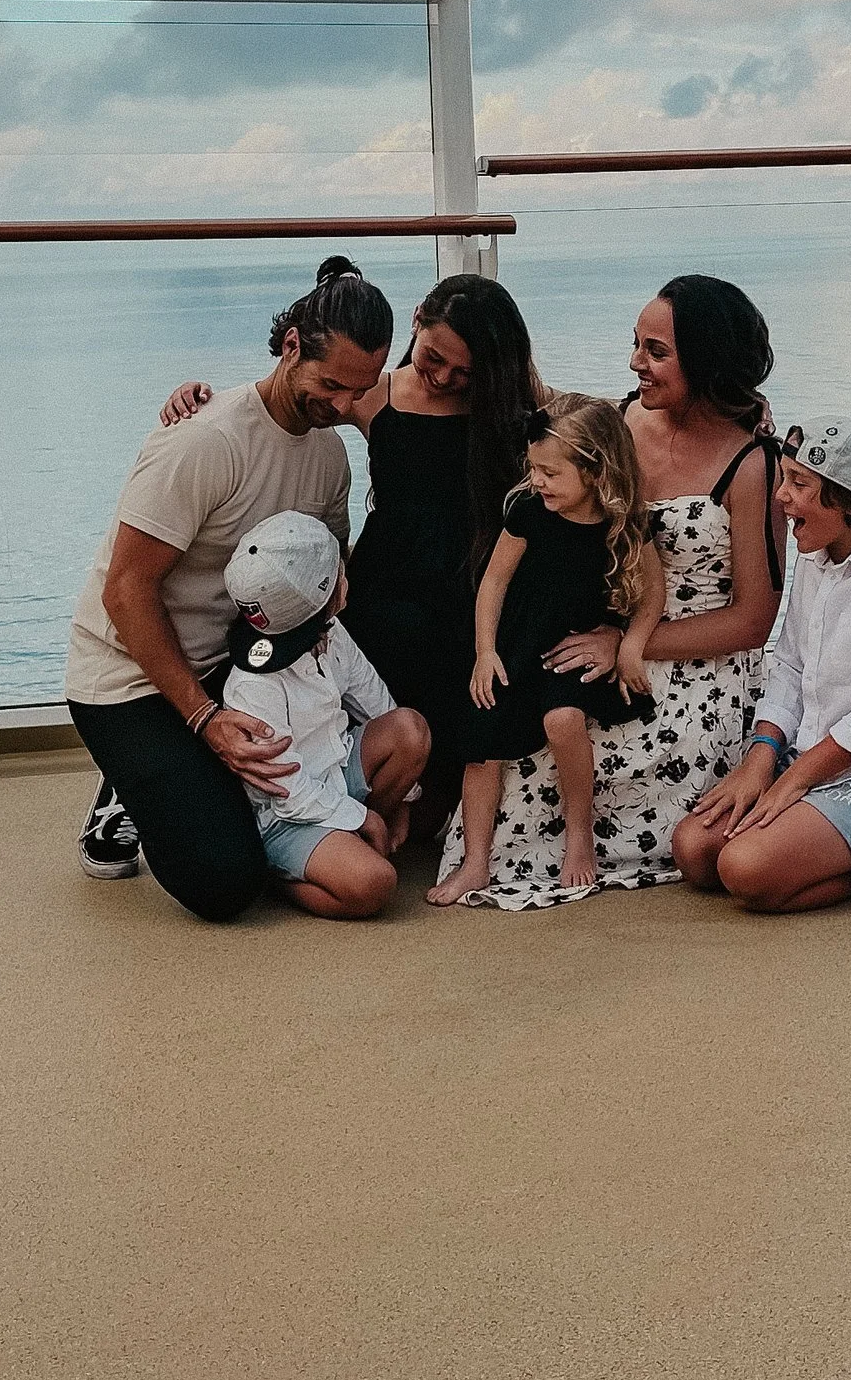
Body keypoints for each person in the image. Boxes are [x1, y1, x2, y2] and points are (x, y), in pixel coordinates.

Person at [65, 256, 420, 921]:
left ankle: (260, 813)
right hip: (131, 678)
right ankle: (130, 785)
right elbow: (124, 591)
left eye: (359, 389)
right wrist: (203, 718)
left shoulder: (327, 458)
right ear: (291, 345)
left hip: (243, 660)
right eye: (331, 383)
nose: (343, 406)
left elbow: (325, 580)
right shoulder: (205, 441)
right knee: (224, 885)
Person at [442, 274, 782, 908]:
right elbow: (534, 414)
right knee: (520, 728)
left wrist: (631, 644)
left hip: (692, 654)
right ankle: (487, 859)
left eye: (657, 352)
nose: (636, 363)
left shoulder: (752, 462)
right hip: (589, 630)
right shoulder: (615, 424)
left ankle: (594, 846)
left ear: (705, 360)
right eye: (636, 345)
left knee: (588, 728)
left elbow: (755, 619)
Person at [156, 274, 545, 790]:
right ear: (416, 322)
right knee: (364, 706)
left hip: (472, 583)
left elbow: (586, 425)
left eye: (464, 372)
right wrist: (196, 395)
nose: (445, 377)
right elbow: (283, 403)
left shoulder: (505, 404)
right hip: (389, 589)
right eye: (433, 357)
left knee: (455, 768)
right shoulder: (372, 395)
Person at [672, 413, 851, 913]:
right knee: (695, 852)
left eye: (798, 483)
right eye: (784, 478)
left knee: (745, 870)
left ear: (848, 502)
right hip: (808, 760)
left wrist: (794, 781)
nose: (781, 496)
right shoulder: (814, 559)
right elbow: (789, 667)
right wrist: (760, 764)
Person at [428, 398, 663, 909]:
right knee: (482, 743)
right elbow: (493, 582)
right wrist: (484, 651)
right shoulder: (529, 512)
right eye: (533, 468)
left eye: (550, 472)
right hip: (517, 644)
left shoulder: (623, 523)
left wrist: (631, 646)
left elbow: (652, 595)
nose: (537, 480)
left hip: (570, 649)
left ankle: (579, 835)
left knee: (562, 720)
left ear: (596, 470)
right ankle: (475, 862)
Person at [218, 513, 425, 921]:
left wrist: (402, 801)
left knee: (410, 728)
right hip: (287, 815)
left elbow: (375, 701)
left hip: (336, 770)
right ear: (329, 593)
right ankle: (279, 875)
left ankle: (351, 842)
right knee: (374, 884)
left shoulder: (328, 631)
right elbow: (286, 789)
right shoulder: (253, 685)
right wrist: (364, 817)